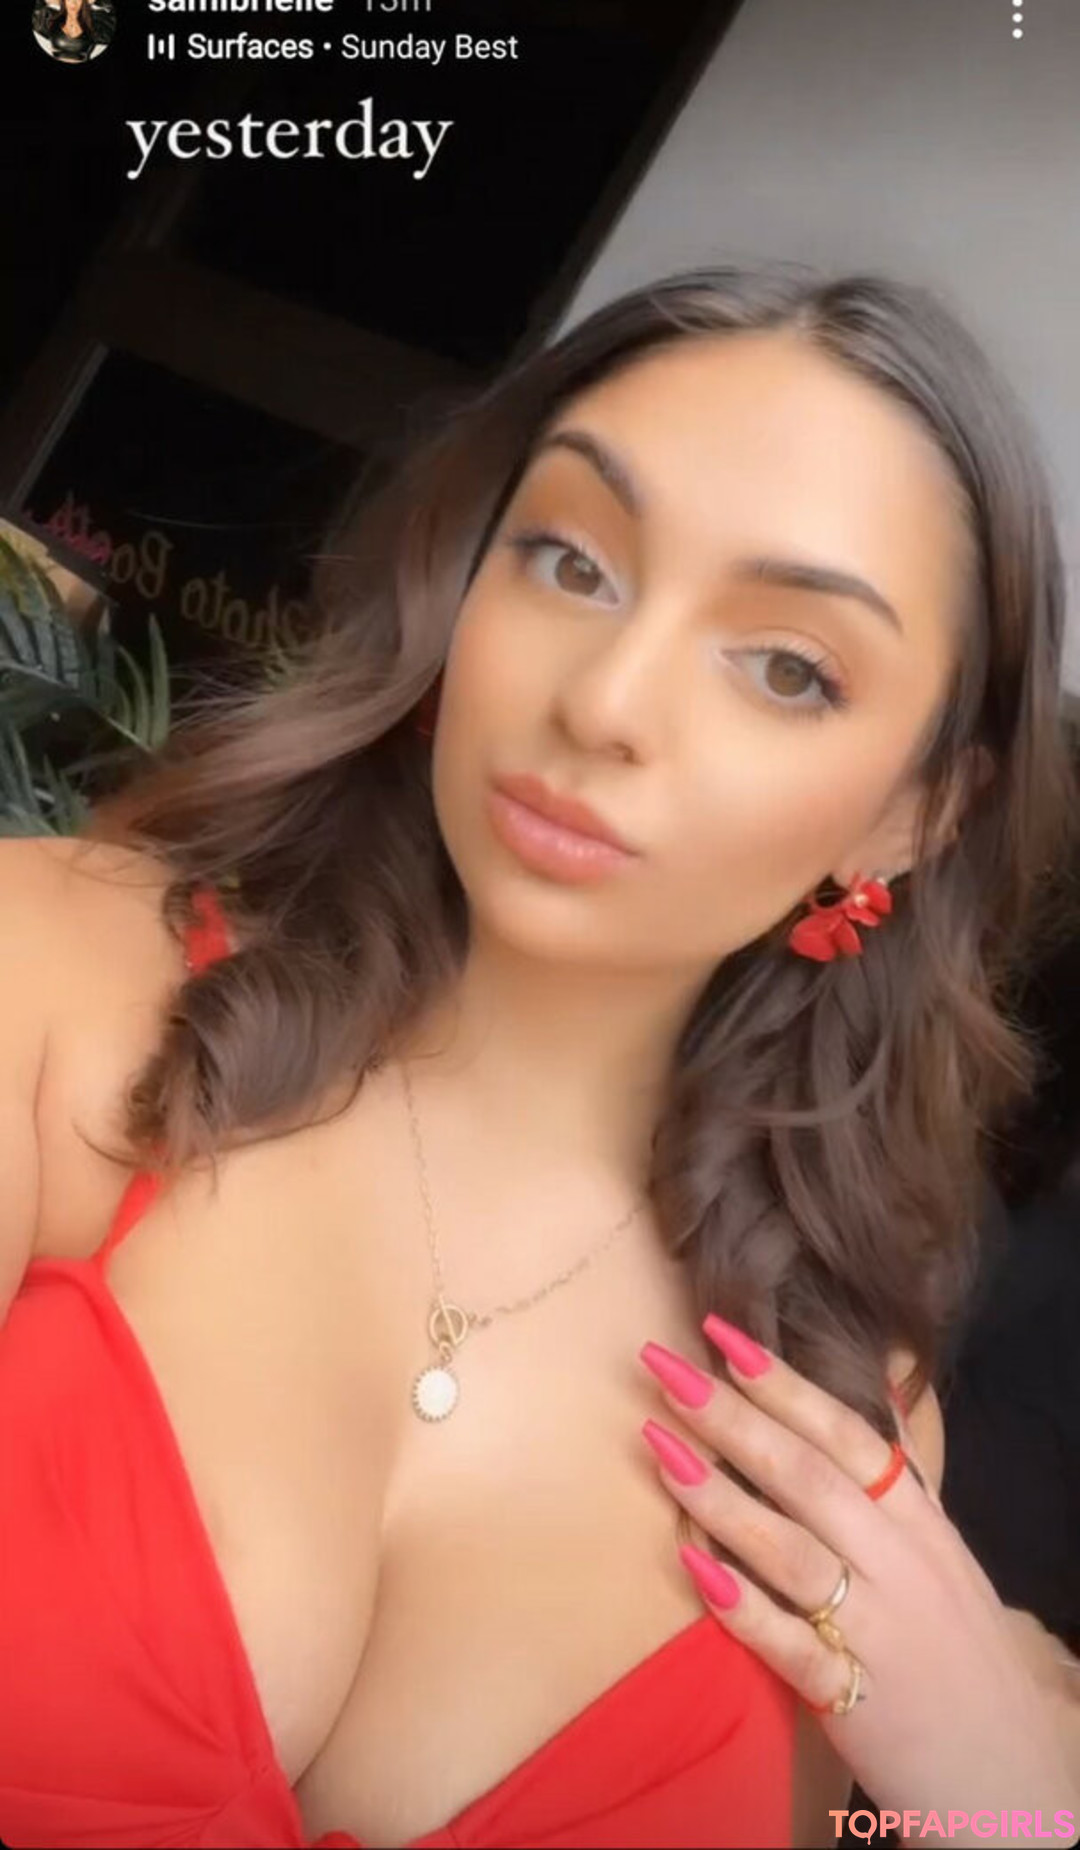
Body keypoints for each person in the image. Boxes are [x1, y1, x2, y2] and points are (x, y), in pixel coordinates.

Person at [1, 265, 1078, 1850]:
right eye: (572, 561)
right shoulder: (51, 985)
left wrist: (1015, 1798)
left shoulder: (843, 1420)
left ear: (916, 815)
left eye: (789, 666)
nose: (608, 700)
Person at [31, 0, 116, 63]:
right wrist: (54, 1)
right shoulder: (50, 21)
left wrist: (97, 1)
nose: (73, 3)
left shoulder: (93, 25)